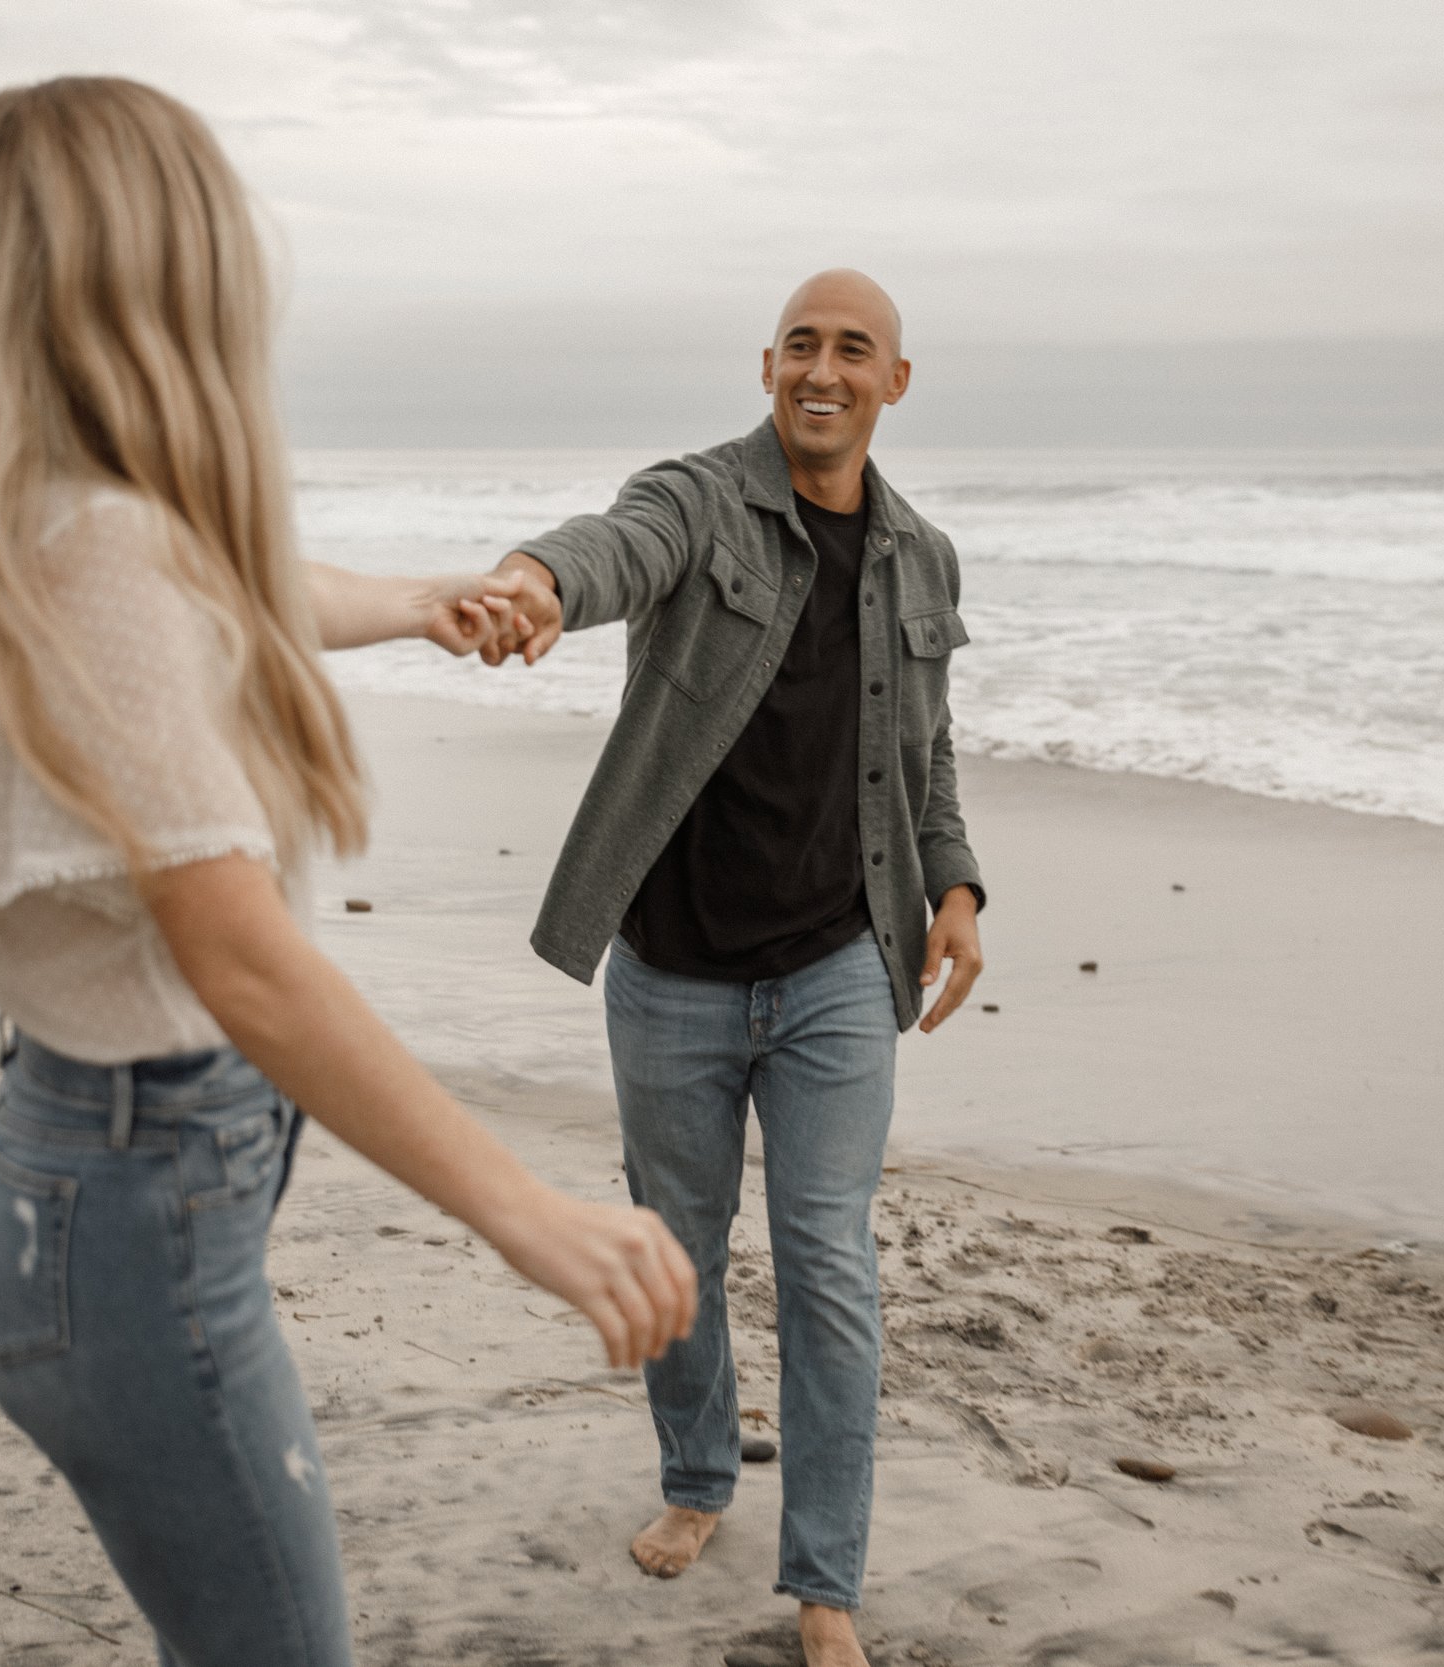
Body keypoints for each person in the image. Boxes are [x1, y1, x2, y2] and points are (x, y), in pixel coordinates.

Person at [0, 77, 695, 1667]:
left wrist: (416, 603)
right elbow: (245, 963)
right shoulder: (97, 552)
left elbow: (221, 593)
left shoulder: (66, 517)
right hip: (129, 1213)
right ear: (161, 276)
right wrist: (530, 1214)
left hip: (80, 1178)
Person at [479, 270, 985, 1667]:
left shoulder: (922, 558)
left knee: (829, 1263)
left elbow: (924, 754)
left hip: (838, 966)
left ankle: (825, 1581)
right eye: (803, 346)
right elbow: (614, 548)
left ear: (895, 380)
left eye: (854, 350)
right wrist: (534, 580)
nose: (824, 370)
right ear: (770, 365)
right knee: (679, 1250)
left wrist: (956, 885)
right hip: (676, 967)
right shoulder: (702, 500)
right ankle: (698, 1480)